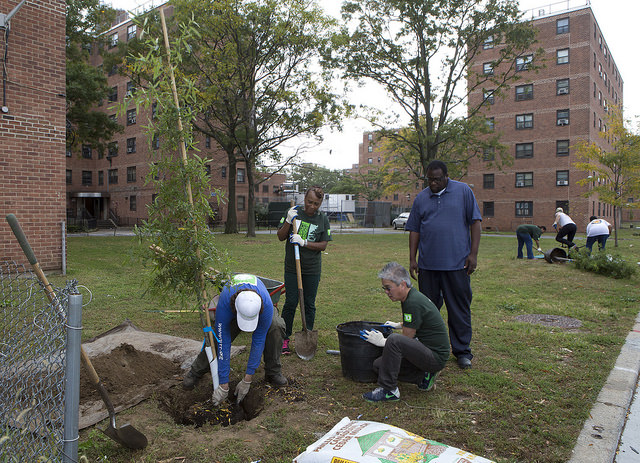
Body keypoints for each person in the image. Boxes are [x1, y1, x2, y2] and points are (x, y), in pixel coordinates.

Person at [405, 160, 481, 369]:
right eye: (430, 179)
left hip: (457, 265)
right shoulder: (421, 198)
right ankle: (429, 347)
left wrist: (473, 255)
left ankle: (462, 351)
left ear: (447, 176)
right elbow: (414, 230)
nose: (434, 183)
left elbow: (475, 222)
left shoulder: (463, 191)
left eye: (437, 179)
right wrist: (413, 258)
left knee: (459, 308)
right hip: (428, 266)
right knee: (428, 310)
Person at [182, 273, 288, 404]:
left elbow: (258, 341)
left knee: (276, 326)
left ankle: (273, 372)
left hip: (260, 304)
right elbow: (223, 343)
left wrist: (247, 379)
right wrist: (224, 384)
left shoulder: (264, 305)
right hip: (230, 303)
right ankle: (196, 371)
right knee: (215, 337)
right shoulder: (225, 304)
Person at [360, 262, 450, 402]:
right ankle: (423, 377)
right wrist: (398, 325)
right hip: (426, 349)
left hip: (435, 356)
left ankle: (389, 390)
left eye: (388, 288)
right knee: (379, 365)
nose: (386, 292)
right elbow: (416, 322)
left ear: (402, 284)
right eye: (384, 288)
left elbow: (405, 339)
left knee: (395, 340)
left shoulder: (412, 302)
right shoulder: (410, 297)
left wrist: (383, 341)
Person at [277, 186, 332, 354]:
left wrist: (304, 243)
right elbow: (280, 236)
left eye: (316, 204)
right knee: (291, 302)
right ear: (304, 199)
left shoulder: (322, 219)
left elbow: (323, 245)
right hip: (293, 268)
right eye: (309, 202)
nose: (312, 206)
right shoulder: (293, 212)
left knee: (309, 303)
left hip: (312, 269)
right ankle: (284, 338)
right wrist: (288, 220)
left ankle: (306, 333)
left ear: (320, 203)